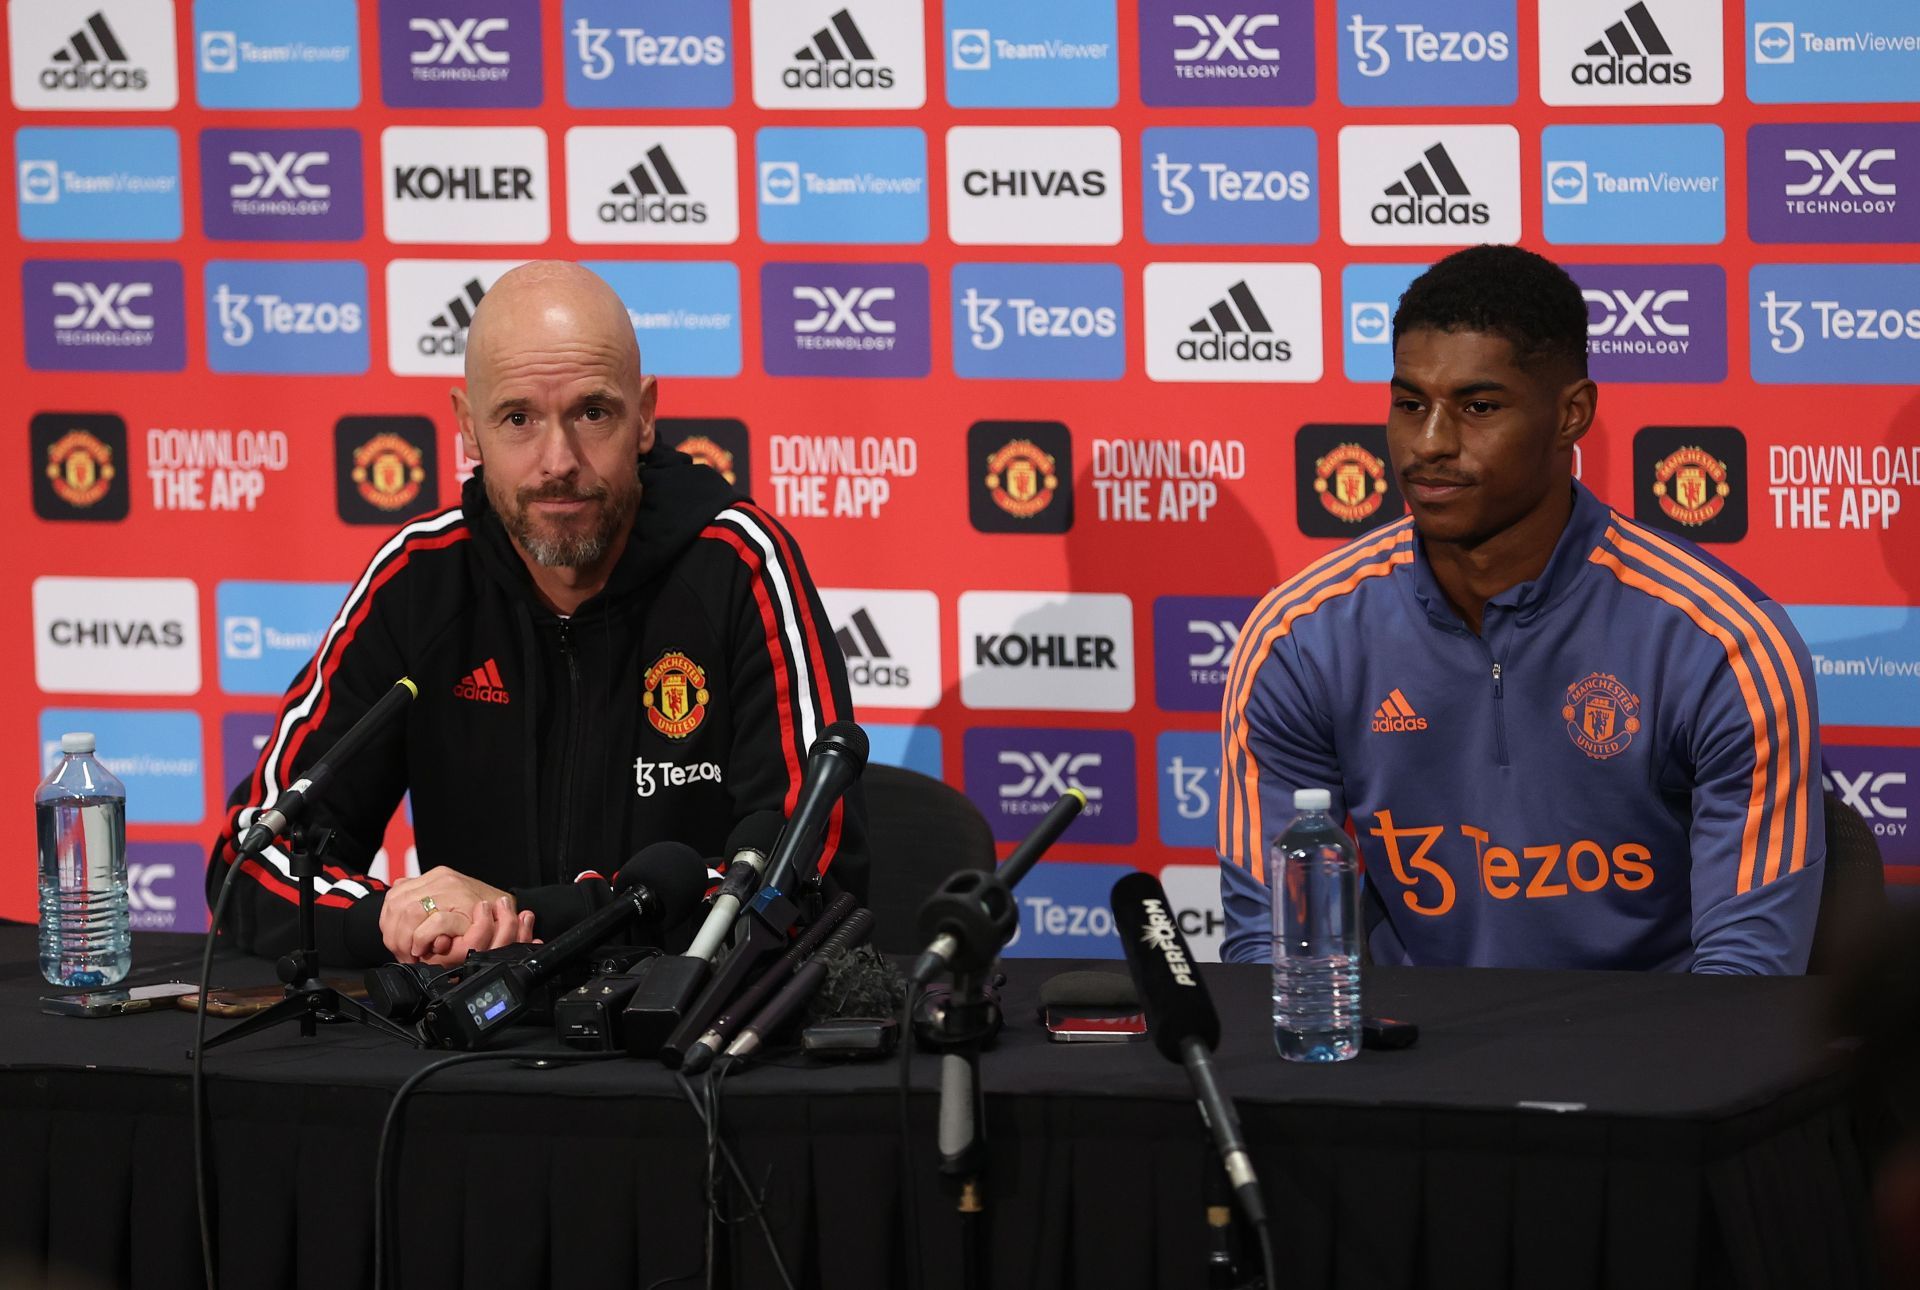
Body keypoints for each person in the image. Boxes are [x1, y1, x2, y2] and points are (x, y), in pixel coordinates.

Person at [206, 261, 865, 968]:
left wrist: (520, 917)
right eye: (518, 418)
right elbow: (251, 861)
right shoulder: (421, 580)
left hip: (679, 1043)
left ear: (644, 416)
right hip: (464, 1046)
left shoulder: (739, 565)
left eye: (593, 413)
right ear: (468, 427)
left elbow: (805, 880)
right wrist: (408, 917)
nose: (558, 460)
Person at [1218, 244, 1823, 973]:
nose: (1431, 444)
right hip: (1413, 1067)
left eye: (1478, 407)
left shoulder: (1720, 642)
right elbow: (1273, 953)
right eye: (1411, 404)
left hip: (1654, 1066)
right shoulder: (1301, 640)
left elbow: (1748, 977)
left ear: (1572, 414)